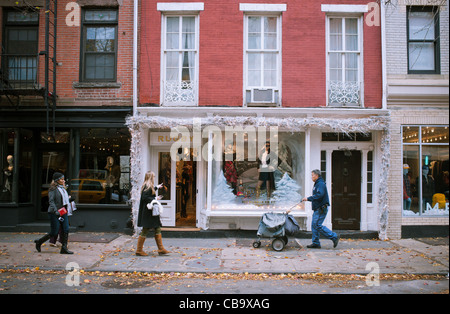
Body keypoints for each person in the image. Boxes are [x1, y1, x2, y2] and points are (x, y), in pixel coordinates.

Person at [34, 172, 73, 254]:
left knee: (66, 229)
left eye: (63, 179)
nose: (63, 180)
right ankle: (39, 242)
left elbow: (63, 201)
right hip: (54, 213)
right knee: (54, 232)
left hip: (63, 211)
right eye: (62, 179)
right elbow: (51, 202)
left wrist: (70, 200)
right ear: (57, 180)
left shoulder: (63, 188)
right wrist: (56, 211)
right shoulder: (53, 189)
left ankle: (64, 248)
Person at [302, 169, 339, 249]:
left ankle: (334, 236)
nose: (311, 177)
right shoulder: (317, 183)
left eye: (312, 175)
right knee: (314, 225)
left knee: (317, 225)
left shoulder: (320, 184)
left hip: (321, 208)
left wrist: (308, 198)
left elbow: (320, 195)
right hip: (318, 208)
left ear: (316, 175)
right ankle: (316, 243)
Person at [136, 171, 170, 256]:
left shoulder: (148, 186)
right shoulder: (146, 186)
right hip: (148, 213)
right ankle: (139, 250)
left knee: (157, 228)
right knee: (145, 229)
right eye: (154, 176)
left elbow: (148, 194)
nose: (154, 177)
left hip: (150, 212)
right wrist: (155, 198)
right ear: (151, 177)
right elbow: (145, 197)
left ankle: (161, 249)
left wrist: (157, 187)